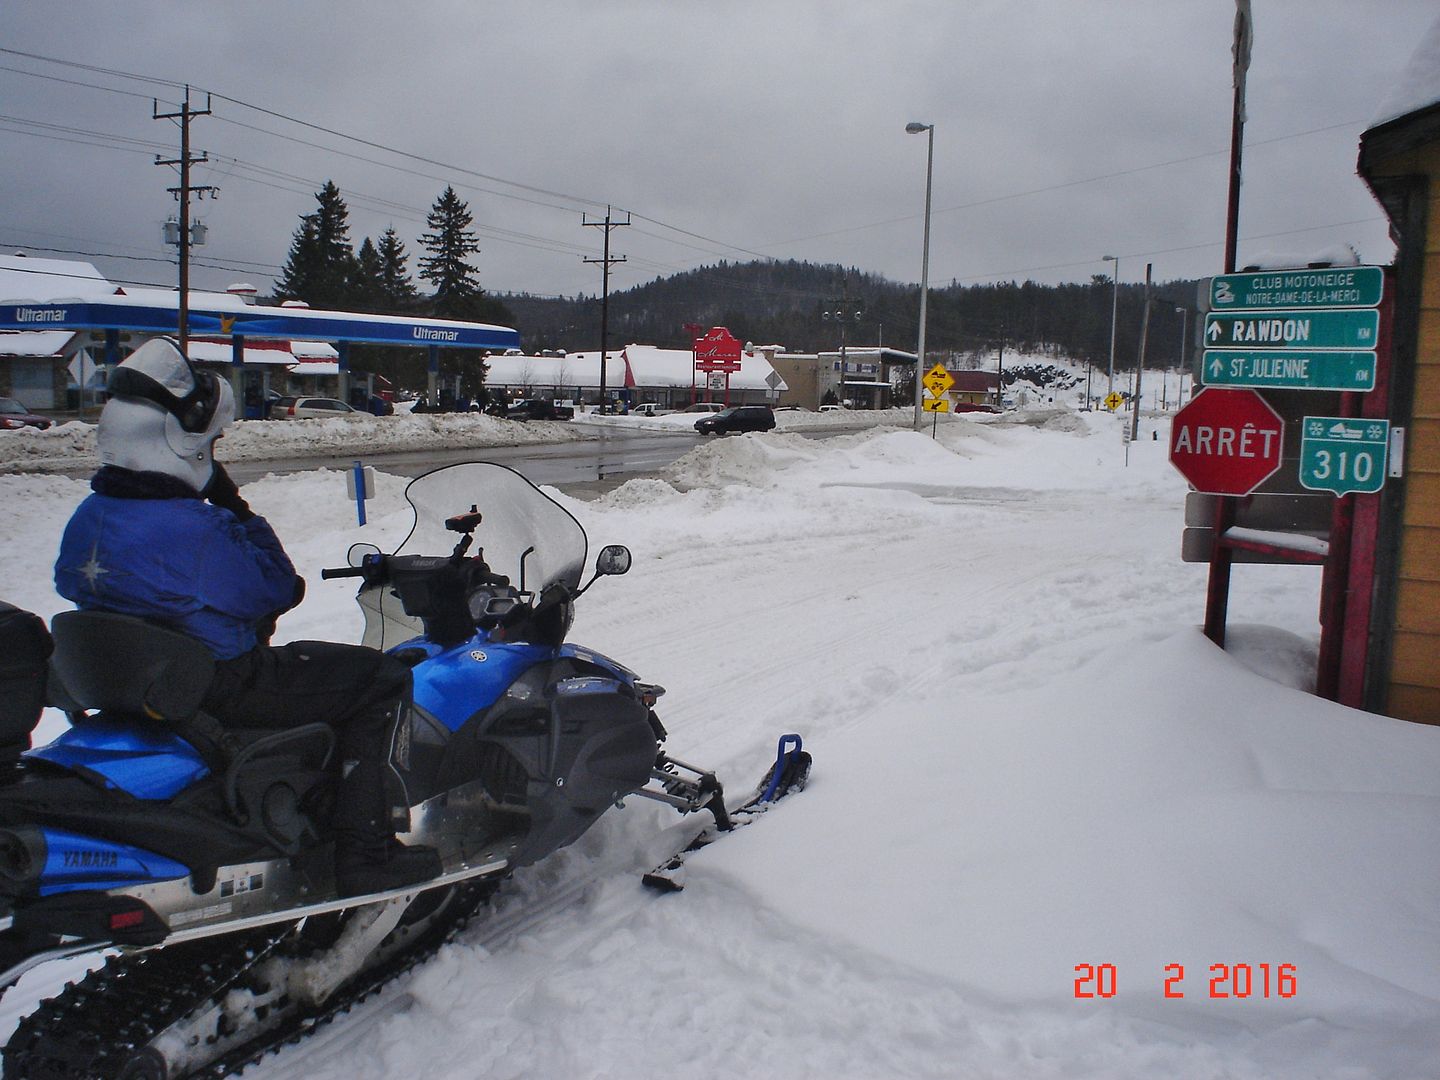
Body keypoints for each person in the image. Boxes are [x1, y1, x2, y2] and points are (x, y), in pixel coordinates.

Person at [53, 338, 440, 897]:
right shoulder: (193, 527)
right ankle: (365, 852)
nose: (214, 451)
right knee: (380, 678)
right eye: (212, 442)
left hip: (136, 681)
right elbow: (279, 587)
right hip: (218, 681)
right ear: (179, 445)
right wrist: (231, 502)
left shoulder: (90, 516)